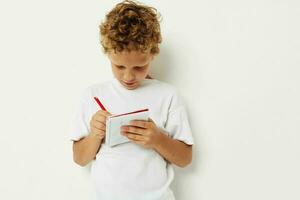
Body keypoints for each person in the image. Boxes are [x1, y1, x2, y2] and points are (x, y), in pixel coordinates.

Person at [70, 1, 194, 199]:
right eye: (119, 66)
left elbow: (185, 158)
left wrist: (157, 139)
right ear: (108, 54)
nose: (128, 77)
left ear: (153, 54)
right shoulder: (92, 95)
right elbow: (79, 158)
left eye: (139, 67)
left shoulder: (168, 95)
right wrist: (95, 135)